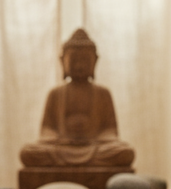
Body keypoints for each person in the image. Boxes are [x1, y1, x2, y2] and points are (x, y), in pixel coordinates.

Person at [19, 29, 135, 167]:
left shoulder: (103, 93)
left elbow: (110, 130)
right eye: (74, 60)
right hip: (62, 147)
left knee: (124, 152)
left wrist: (97, 139)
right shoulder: (55, 94)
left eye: (85, 60)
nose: (79, 65)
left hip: (94, 146)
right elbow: (46, 129)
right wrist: (59, 139)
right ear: (63, 61)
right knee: (28, 153)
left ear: (94, 62)